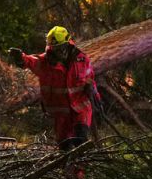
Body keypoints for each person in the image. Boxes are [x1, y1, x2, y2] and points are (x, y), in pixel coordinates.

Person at [9, 26, 97, 155]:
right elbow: (31, 61)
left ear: (68, 44)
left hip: (81, 109)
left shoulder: (82, 60)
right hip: (60, 114)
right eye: (55, 48)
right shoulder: (45, 63)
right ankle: (70, 167)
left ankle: (83, 166)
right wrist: (20, 57)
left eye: (61, 47)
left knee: (81, 140)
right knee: (64, 148)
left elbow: (91, 79)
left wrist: (95, 95)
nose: (59, 51)